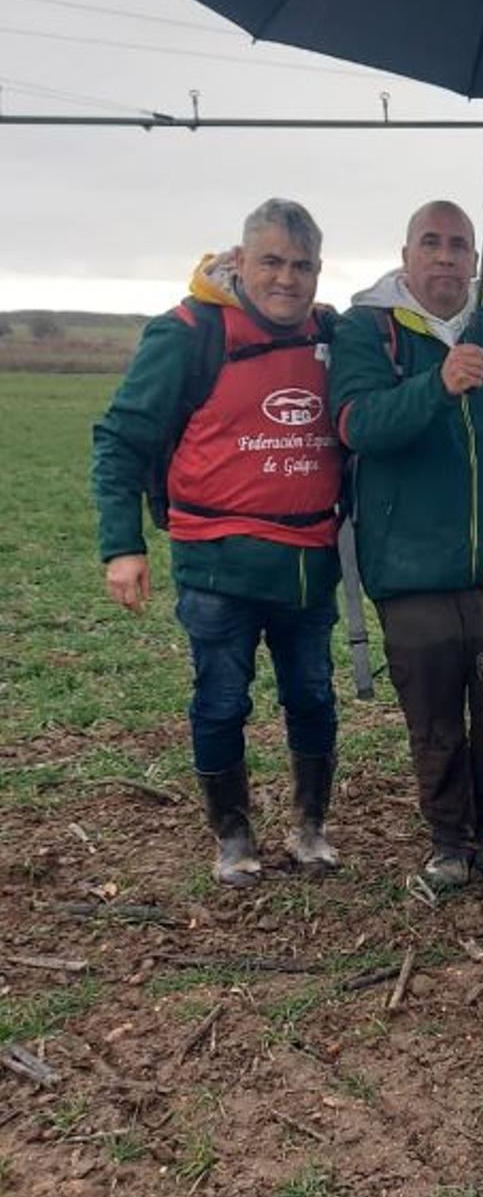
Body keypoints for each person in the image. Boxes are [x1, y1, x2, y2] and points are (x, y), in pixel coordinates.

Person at [329, 201, 483, 892]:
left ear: (475, 257)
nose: (445, 256)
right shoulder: (367, 330)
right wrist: (435, 386)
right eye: (431, 243)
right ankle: (447, 838)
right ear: (405, 253)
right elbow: (357, 424)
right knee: (433, 714)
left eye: (459, 245)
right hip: (408, 567)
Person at [93, 199, 342, 885]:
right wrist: (123, 544)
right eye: (270, 261)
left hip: (307, 564)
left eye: (302, 265)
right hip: (216, 564)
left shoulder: (332, 334)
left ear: (319, 271)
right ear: (239, 260)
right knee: (222, 700)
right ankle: (233, 836)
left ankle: (311, 824)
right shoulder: (188, 334)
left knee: (314, 697)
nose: (286, 279)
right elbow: (120, 438)